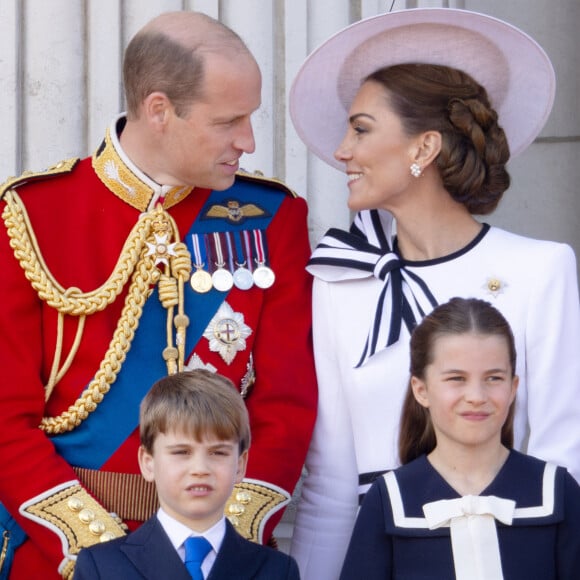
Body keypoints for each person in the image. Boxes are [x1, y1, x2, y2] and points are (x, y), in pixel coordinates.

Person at [0, 11, 316, 579]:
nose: (247, 140)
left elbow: (286, 405)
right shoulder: (31, 214)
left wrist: (227, 542)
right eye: (229, 120)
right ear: (159, 110)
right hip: (63, 555)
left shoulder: (273, 218)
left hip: (214, 552)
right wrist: (93, 551)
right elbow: (4, 417)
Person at [288, 7, 580, 579]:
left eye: (362, 129)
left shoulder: (542, 269)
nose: (342, 150)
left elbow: (561, 458)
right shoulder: (339, 281)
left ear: (423, 148)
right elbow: (329, 486)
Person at [340, 297, 580, 579]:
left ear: (514, 387)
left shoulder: (555, 490)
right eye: (456, 378)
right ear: (421, 390)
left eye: (493, 378)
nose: (477, 397)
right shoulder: (389, 499)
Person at [73, 370, 301, 579]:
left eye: (218, 452)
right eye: (182, 452)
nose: (200, 468)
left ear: (240, 465)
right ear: (148, 462)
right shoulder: (101, 567)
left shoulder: (278, 571)